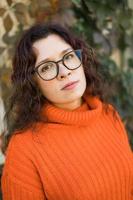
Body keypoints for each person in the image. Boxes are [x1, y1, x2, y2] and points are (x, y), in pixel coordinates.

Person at [1, 22, 133, 200]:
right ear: (33, 83)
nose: (64, 71)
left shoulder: (108, 114)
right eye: (46, 67)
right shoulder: (24, 149)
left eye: (68, 56)